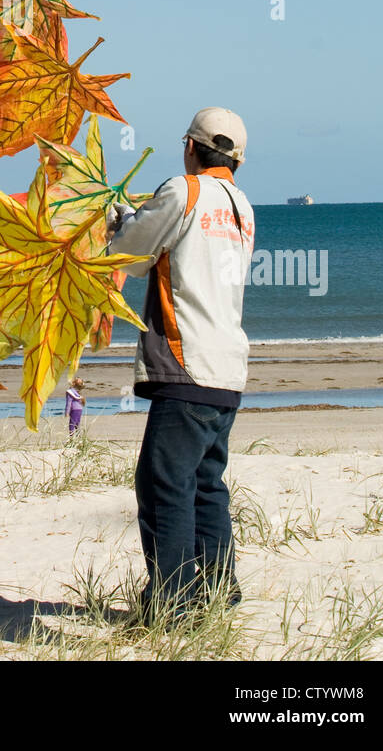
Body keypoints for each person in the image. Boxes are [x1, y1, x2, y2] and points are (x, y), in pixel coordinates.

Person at [106, 107, 254, 623]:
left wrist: (119, 219)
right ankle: (218, 589)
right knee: (206, 482)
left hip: (186, 364)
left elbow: (129, 253)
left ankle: (170, 603)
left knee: (163, 482)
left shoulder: (183, 190)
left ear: (190, 147)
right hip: (227, 367)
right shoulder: (242, 205)